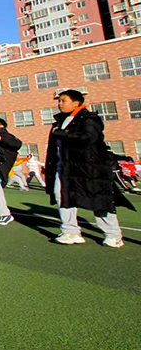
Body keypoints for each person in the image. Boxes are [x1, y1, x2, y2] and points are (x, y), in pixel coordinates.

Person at [45, 90, 124, 248]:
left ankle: (113, 234)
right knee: (63, 196)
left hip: (90, 169)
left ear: (76, 103)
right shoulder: (59, 122)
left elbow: (88, 138)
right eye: (58, 101)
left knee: (99, 200)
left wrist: (63, 133)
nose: (59, 104)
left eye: (63, 101)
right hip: (65, 168)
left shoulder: (89, 119)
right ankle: (70, 231)